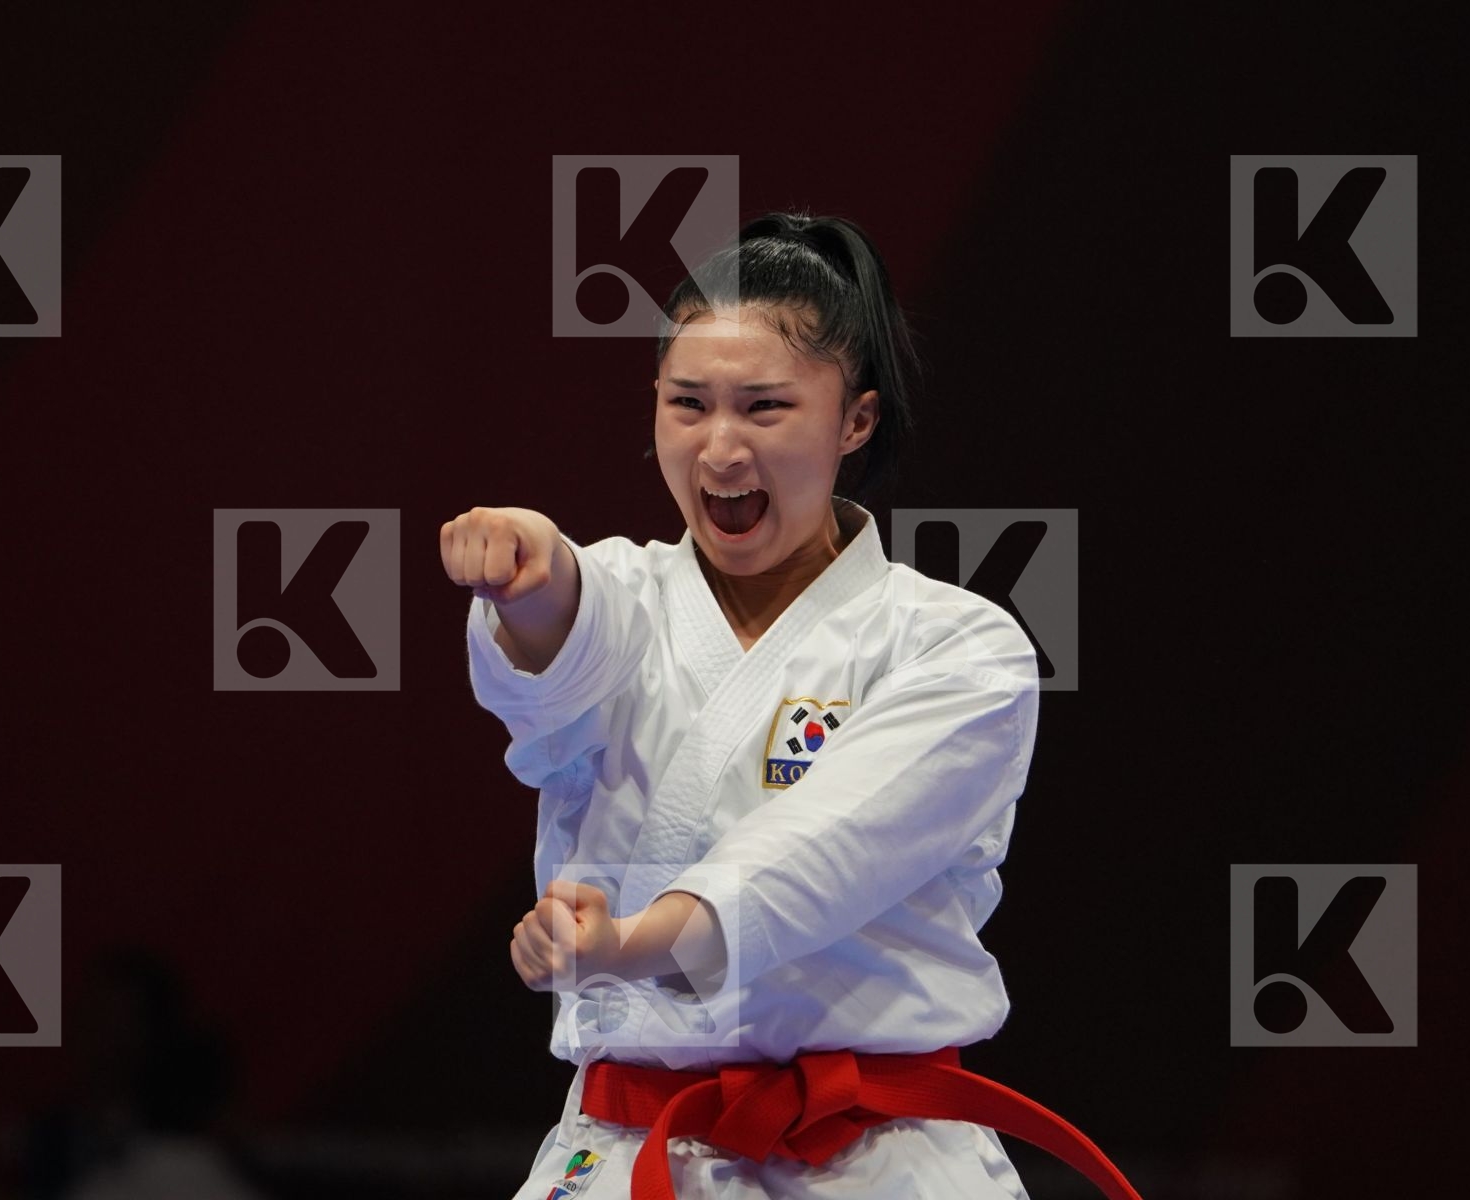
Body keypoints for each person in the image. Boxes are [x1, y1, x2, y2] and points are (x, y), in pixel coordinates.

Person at [442, 212, 1138, 1199]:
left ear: (855, 420)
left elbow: (818, 855)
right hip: (626, 1149)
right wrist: (532, 570)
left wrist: (628, 945)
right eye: (688, 404)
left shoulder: (957, 649)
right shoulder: (623, 598)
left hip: (880, 1166)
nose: (721, 449)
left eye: (765, 408)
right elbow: (564, 637)